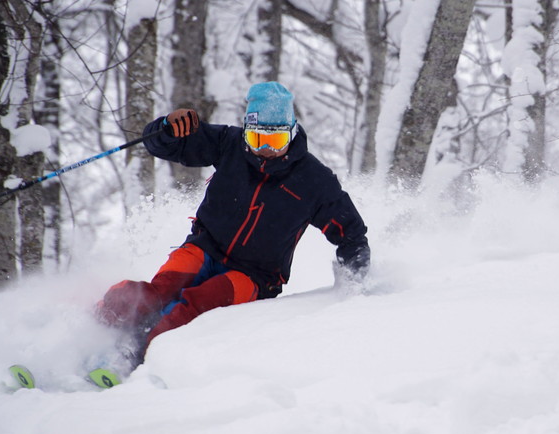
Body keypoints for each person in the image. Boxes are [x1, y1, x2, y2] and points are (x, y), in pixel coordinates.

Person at [97, 81, 370, 362]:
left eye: (275, 141)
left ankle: (139, 355)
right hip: (204, 248)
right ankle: (96, 323)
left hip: (255, 275)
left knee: (197, 303)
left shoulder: (314, 181)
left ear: (292, 133)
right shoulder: (229, 144)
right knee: (159, 292)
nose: (265, 149)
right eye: (256, 139)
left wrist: (356, 280)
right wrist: (167, 128)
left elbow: (351, 233)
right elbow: (162, 146)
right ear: (246, 133)